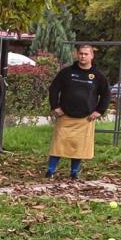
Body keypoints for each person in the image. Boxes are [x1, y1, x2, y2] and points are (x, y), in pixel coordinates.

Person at [46, 43, 110, 180]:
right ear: (77, 55)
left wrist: (99, 111)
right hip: (65, 116)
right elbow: (54, 89)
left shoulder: (98, 76)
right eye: (81, 53)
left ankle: (74, 172)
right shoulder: (66, 72)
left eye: (86, 54)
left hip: (85, 118)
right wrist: (55, 106)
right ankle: (50, 171)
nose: (83, 56)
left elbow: (106, 94)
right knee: (58, 146)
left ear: (92, 56)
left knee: (79, 147)